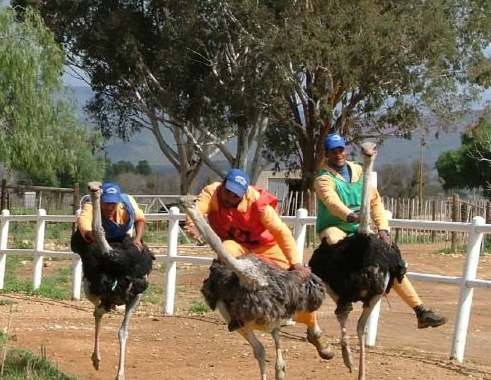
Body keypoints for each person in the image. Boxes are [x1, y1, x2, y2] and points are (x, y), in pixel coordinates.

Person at [185, 168, 335, 360]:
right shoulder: (212, 193)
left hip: (266, 247)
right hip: (237, 246)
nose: (229, 197)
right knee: (226, 253)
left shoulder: (258, 203)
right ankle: (234, 308)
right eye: (227, 191)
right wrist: (193, 224)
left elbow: (281, 232)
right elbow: (197, 209)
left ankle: (314, 330)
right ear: (222, 185)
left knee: (292, 287)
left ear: (244, 193)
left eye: (235, 194)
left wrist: (295, 264)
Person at [314, 133, 447, 328]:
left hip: (361, 225)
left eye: (340, 149)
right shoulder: (323, 179)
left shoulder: (359, 170)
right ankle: (341, 297)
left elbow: (375, 202)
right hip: (336, 226)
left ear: (346, 150)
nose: (338, 154)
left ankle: (420, 310)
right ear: (327, 154)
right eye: (333, 151)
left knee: (389, 260)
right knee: (334, 246)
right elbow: (332, 203)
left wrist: (383, 229)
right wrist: (354, 216)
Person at [77, 182, 147, 250]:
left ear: (118, 201)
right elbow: (84, 219)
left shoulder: (128, 203)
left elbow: (139, 219)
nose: (110, 208)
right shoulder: (91, 205)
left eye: (113, 203)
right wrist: (90, 234)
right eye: (106, 203)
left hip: (120, 238)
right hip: (96, 241)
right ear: (100, 200)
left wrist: (137, 239)